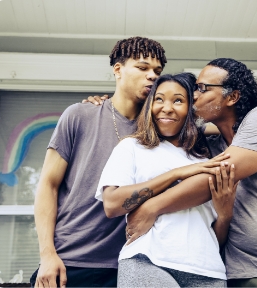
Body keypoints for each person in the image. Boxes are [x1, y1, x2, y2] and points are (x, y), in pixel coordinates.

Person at [124, 58, 257, 287]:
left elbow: (216, 174)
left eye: (202, 88)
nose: (194, 95)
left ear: (232, 97)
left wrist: (152, 207)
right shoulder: (211, 146)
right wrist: (105, 107)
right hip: (232, 273)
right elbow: (164, 123)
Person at [30, 36, 167, 288]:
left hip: (130, 266)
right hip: (70, 261)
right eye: (142, 67)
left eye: (157, 71)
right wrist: (47, 254)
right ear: (118, 70)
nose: (152, 76)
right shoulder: (80, 115)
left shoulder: (161, 130)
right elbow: (48, 186)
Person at [96, 72, 236, 287]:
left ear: (191, 108)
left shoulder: (207, 156)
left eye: (178, 100)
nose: (167, 108)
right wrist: (176, 173)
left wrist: (225, 214)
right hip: (148, 262)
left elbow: (212, 234)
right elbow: (112, 204)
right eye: (159, 99)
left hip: (209, 270)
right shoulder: (132, 147)